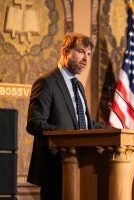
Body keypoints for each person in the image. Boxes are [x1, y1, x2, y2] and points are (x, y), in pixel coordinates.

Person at [26, 32, 106, 200]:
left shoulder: (79, 86)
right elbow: (35, 123)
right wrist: (69, 138)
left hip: (83, 167)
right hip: (56, 168)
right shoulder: (46, 82)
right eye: (81, 52)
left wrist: (116, 131)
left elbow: (84, 125)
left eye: (89, 54)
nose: (86, 58)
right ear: (65, 52)